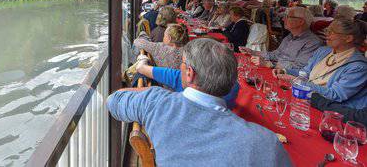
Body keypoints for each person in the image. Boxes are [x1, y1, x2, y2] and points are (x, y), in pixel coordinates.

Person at [108, 38, 292, 166]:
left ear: (189, 73)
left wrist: (149, 92)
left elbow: (113, 101)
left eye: (182, 65)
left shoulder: (155, 103)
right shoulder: (266, 143)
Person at [273, 19, 367, 109]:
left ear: (348, 38)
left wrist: (299, 82)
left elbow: (335, 95)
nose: (326, 34)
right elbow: (305, 72)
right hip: (306, 98)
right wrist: (285, 71)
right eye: (327, 30)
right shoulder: (323, 51)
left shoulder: (359, 67)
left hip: (327, 109)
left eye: (331, 32)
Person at [134, 48, 240, 109]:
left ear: (190, 72)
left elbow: (140, 68)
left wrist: (142, 58)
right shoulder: (234, 87)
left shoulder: (178, 77)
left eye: (183, 63)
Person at [248, 7, 322, 70]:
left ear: (301, 21)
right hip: (276, 70)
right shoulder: (290, 36)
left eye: (287, 16)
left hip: (287, 77)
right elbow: (277, 54)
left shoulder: (313, 42)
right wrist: (253, 52)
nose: (283, 19)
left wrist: (269, 64)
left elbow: (299, 67)